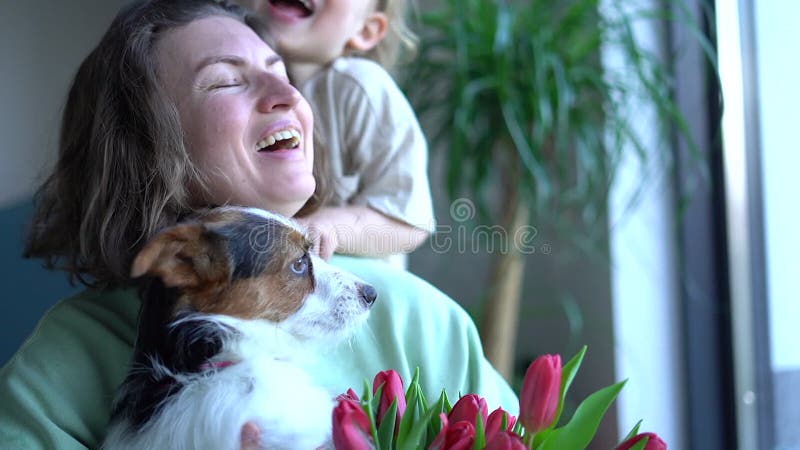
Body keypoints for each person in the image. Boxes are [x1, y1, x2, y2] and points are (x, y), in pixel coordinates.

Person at [0, 1, 516, 449]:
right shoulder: (60, 367)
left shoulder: (419, 320)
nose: (288, 94)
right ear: (147, 149)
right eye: (226, 81)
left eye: (285, 72)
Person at [236, 0, 435, 268]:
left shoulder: (362, 89)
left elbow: (407, 221)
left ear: (366, 31)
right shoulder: (224, 85)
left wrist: (327, 226)